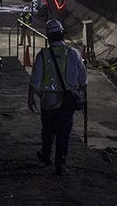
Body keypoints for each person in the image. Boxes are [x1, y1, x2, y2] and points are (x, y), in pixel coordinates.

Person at [28, 19, 87, 176]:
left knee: (47, 130)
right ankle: (60, 162)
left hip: (48, 100)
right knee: (64, 131)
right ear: (62, 34)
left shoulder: (43, 55)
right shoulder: (73, 53)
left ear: (48, 37)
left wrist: (30, 97)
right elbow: (83, 78)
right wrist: (82, 95)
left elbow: (35, 79)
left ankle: (46, 154)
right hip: (68, 101)